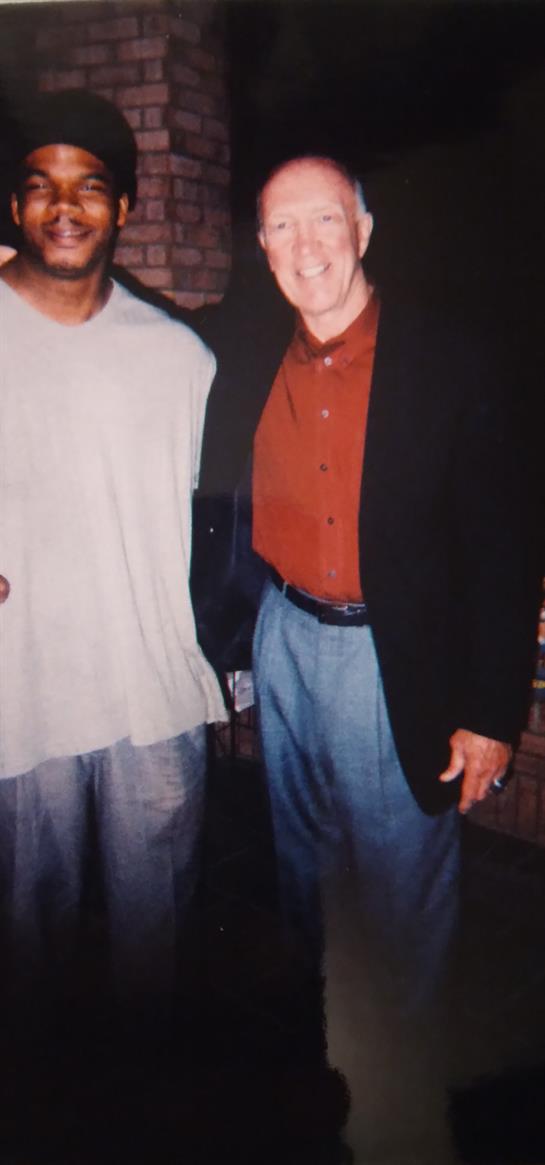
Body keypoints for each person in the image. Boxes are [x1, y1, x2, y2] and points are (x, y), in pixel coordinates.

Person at [243, 155, 539, 1161]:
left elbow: (503, 547)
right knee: (303, 873)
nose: (304, 247)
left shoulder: (452, 359)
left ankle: (403, 1103)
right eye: (280, 229)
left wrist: (493, 710)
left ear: (364, 231)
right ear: (261, 248)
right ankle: (319, 1065)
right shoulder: (249, 348)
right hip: (281, 641)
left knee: (402, 893)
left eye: (323, 221)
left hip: (390, 655)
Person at [0, 89, 226, 1041]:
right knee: (23, 946)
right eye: (42, 187)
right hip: (21, 689)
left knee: (154, 952)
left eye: (91, 188)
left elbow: (218, 522)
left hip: (151, 696)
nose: (66, 206)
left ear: (124, 208)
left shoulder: (179, 358)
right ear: (15, 208)